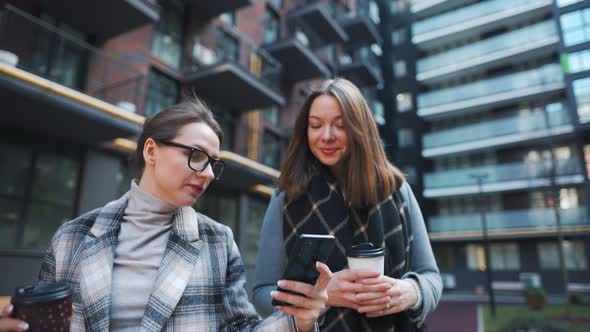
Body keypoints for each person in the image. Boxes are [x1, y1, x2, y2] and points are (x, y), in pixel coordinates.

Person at [0, 98, 331, 332]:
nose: (209, 174)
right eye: (196, 156)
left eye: (214, 164)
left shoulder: (217, 241)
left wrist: (296, 323)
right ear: (151, 151)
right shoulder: (72, 237)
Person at [252, 79, 442, 331]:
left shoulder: (397, 190)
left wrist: (411, 292)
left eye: (340, 125)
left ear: (359, 128)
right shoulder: (287, 197)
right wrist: (320, 295)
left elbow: (431, 277)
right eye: (316, 125)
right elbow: (262, 293)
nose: (326, 136)